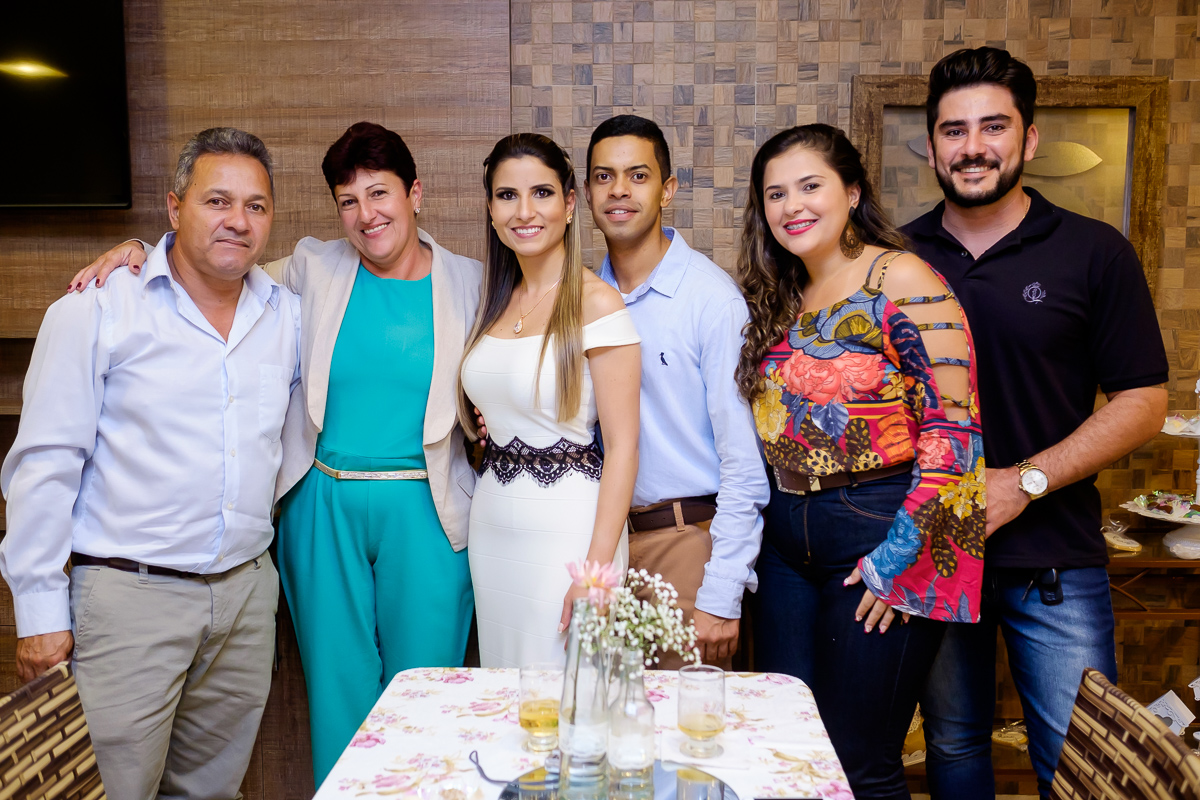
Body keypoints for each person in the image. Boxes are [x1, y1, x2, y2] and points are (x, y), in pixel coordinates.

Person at [67, 121, 480, 785]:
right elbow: (212, 262)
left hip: (428, 514)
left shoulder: (472, 283)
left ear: (416, 194)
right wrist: (139, 248)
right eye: (348, 201)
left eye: (380, 194)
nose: (366, 215)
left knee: (426, 704)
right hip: (323, 509)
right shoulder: (312, 268)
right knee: (338, 701)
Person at [0, 128, 300, 798]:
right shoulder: (99, 308)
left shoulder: (287, 317)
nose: (237, 221)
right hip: (129, 600)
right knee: (109, 790)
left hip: (246, 602)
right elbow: (44, 465)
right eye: (217, 201)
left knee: (209, 791)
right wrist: (40, 611)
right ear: (173, 209)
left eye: (256, 206)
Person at [902, 47, 1169, 800]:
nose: (973, 147)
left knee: (1085, 763)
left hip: (1055, 562)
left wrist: (1024, 482)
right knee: (951, 751)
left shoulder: (1094, 253)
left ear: (1029, 139)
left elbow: (1143, 401)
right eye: (953, 130)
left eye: (993, 126)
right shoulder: (897, 257)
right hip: (937, 553)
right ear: (930, 146)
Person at [736, 123, 985, 799]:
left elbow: (953, 435)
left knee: (859, 763)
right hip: (785, 539)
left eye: (810, 186)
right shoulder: (779, 292)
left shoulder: (899, 277)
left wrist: (895, 563)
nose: (793, 206)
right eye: (775, 194)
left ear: (851, 191)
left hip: (876, 528)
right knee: (790, 750)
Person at [585, 115, 768, 667]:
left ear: (667, 190)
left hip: (687, 543)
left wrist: (721, 592)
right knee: (611, 730)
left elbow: (744, 464)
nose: (618, 190)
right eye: (603, 176)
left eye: (637, 175)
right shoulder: (586, 296)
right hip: (605, 545)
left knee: (684, 735)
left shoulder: (711, 300)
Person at [458, 132, 641, 668]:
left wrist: (596, 572)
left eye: (541, 193)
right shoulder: (494, 301)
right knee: (507, 699)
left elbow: (625, 449)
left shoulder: (596, 302)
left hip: (568, 532)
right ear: (491, 210)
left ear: (569, 203)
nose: (524, 211)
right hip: (492, 527)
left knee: (569, 700)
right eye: (507, 196)